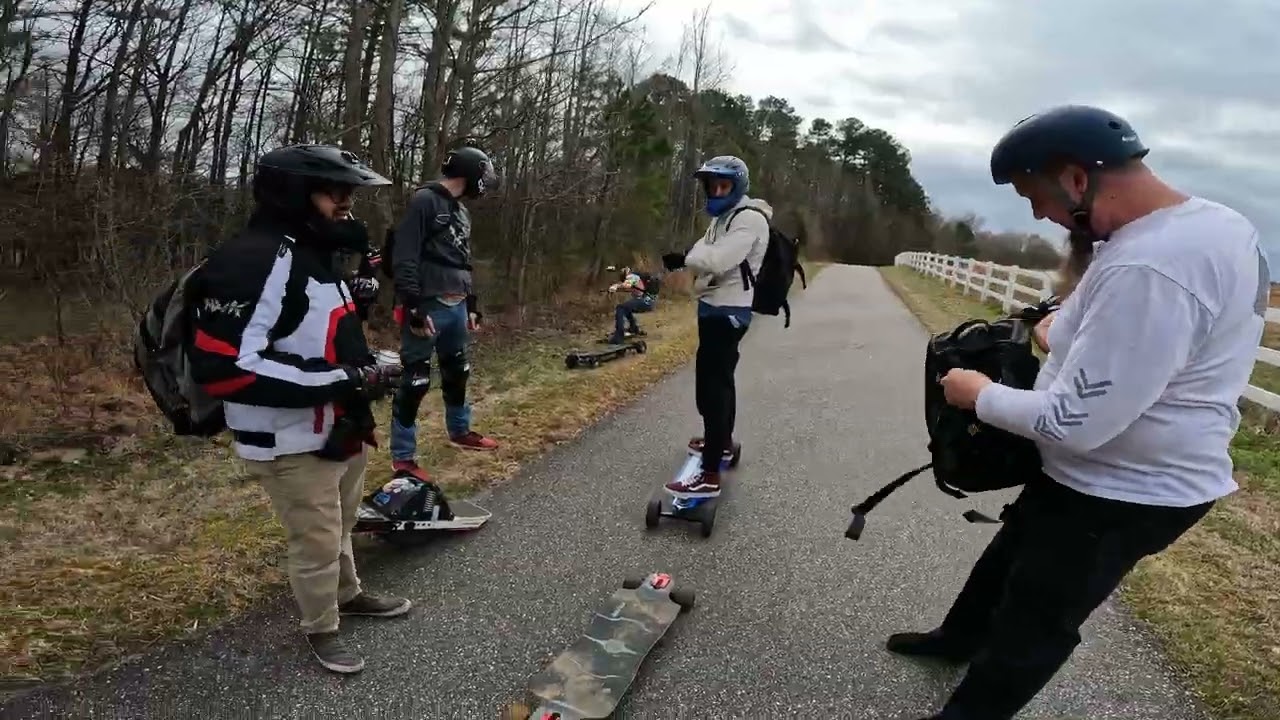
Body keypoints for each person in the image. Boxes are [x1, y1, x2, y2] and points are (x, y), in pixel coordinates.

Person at [893, 105, 1269, 720]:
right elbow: (1131, 335)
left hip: (1122, 490)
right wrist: (1057, 334)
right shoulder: (1211, 226)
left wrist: (974, 392)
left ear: (1074, 178)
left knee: (1036, 618)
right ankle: (957, 640)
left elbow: (1077, 421)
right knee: (1008, 559)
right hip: (1096, 473)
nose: (1038, 214)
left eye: (1033, 196)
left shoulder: (1151, 267)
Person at [188, 144, 412, 675]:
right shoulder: (256, 259)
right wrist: (347, 377)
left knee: (341, 522)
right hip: (287, 437)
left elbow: (306, 330)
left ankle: (348, 594)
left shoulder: (310, 251)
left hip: (335, 426)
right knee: (313, 538)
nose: (348, 204)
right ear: (295, 194)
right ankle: (321, 628)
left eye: (351, 193)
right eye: (338, 192)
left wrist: (360, 325)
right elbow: (228, 368)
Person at [387, 144, 501, 482]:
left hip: (457, 304)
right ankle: (403, 457)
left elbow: (463, 259)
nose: (485, 183)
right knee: (416, 380)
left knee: (457, 372)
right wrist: (413, 307)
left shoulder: (462, 212)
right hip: (429, 304)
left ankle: (460, 430)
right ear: (469, 174)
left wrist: (473, 303)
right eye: (483, 175)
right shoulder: (425, 201)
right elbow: (405, 257)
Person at [659, 155, 770, 498]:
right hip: (712, 307)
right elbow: (705, 252)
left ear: (737, 187)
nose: (717, 191)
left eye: (724, 185)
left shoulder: (749, 220)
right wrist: (695, 254)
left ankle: (708, 474)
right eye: (712, 185)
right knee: (717, 382)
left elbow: (717, 258)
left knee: (713, 390)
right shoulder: (724, 218)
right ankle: (720, 444)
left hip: (729, 312)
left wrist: (689, 256)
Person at [605, 264, 659, 344]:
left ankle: (619, 336)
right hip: (649, 301)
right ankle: (634, 328)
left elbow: (627, 285)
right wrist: (614, 289)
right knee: (626, 307)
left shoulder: (632, 276)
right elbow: (627, 288)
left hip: (646, 301)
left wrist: (616, 286)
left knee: (620, 308)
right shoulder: (634, 278)